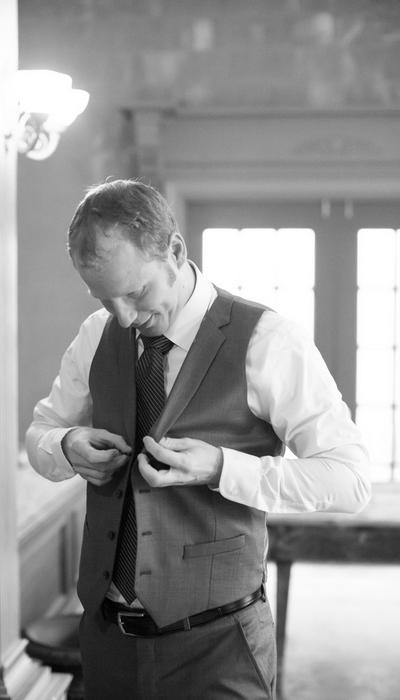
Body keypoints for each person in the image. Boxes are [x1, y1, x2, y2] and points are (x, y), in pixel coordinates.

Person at [25, 179, 371, 700]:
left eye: (137, 292)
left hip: (219, 647)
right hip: (105, 642)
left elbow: (350, 479)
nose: (123, 316)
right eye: (104, 297)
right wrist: (66, 443)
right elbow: (40, 434)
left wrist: (221, 468)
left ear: (176, 251)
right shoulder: (97, 334)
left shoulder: (269, 340)